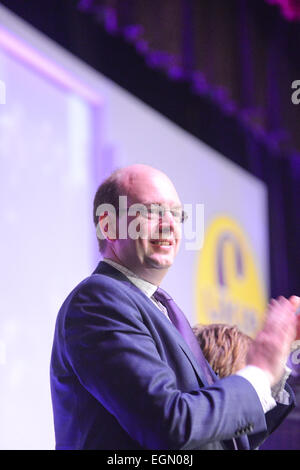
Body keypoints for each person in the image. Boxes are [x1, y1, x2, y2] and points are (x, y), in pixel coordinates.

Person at [50, 164, 298, 450]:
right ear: (107, 224)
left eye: (178, 215)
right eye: (153, 212)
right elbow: (169, 426)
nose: (170, 225)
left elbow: (223, 436)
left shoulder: (163, 310)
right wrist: (259, 371)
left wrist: (277, 361)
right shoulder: (98, 300)